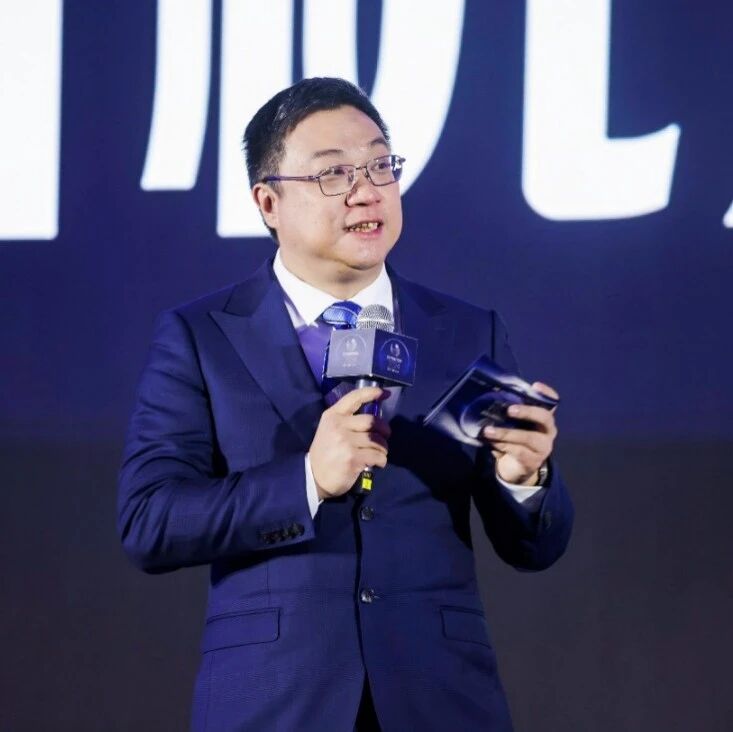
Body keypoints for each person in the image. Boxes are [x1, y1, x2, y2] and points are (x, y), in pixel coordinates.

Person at [118, 77, 573, 731]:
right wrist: (305, 481)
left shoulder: (466, 330)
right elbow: (150, 521)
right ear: (268, 201)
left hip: (440, 699)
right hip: (276, 703)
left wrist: (523, 479)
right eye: (333, 174)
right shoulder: (201, 336)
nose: (366, 191)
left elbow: (535, 548)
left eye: (380, 165)